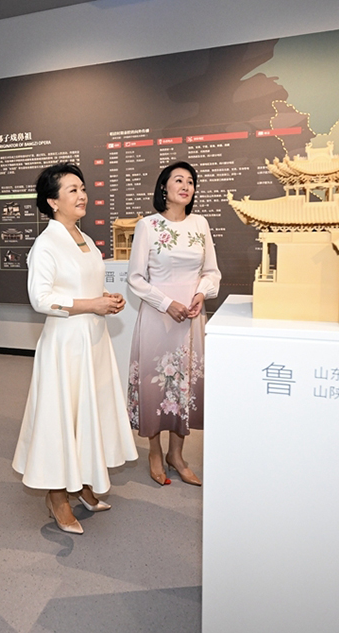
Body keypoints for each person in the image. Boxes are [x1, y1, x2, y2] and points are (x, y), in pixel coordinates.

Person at [12, 163, 138, 534]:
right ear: (52, 201)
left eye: (82, 188)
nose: (82, 195)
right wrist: (91, 304)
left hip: (93, 339)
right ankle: (57, 497)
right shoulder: (46, 244)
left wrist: (106, 298)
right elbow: (40, 298)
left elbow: (84, 285)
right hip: (66, 343)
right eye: (72, 190)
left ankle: (82, 483)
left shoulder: (83, 237)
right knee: (61, 417)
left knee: (88, 412)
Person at [127, 162, 221, 486]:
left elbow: (212, 272)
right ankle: (154, 452)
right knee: (155, 385)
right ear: (163, 188)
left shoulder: (200, 224)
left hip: (191, 317)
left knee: (184, 385)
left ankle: (176, 455)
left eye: (190, 181)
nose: (185, 186)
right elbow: (136, 279)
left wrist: (200, 293)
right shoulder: (148, 225)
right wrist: (167, 304)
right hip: (158, 316)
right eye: (178, 180)